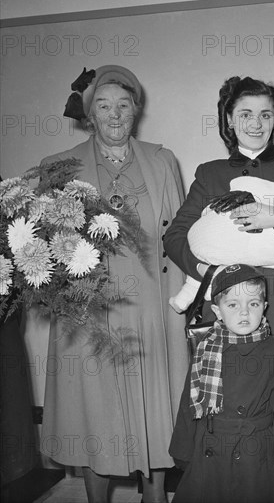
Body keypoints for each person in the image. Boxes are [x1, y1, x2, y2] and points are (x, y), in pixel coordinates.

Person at [164, 76, 274, 475]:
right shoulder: (210, 174)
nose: (256, 123)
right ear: (228, 119)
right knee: (226, 420)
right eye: (245, 114)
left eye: (265, 114)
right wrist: (207, 271)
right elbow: (175, 235)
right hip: (226, 316)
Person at [40, 65, 187, 503]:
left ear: (136, 110)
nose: (114, 114)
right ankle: (95, 497)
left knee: (155, 405)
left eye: (123, 104)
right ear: (89, 114)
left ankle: (155, 493)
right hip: (92, 312)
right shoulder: (59, 167)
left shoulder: (162, 161)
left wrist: (188, 304)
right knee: (95, 412)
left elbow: (178, 237)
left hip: (153, 307)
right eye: (103, 106)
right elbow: (46, 250)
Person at [169, 264, 274, 503]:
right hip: (210, 449)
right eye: (233, 305)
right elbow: (189, 403)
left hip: (256, 453)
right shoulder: (206, 350)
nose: (244, 313)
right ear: (217, 311)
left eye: (252, 304)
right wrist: (182, 449)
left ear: (264, 308)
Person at [168, 170, 274, 313]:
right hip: (223, 313)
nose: (255, 128)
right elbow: (175, 235)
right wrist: (202, 269)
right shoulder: (210, 171)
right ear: (230, 127)